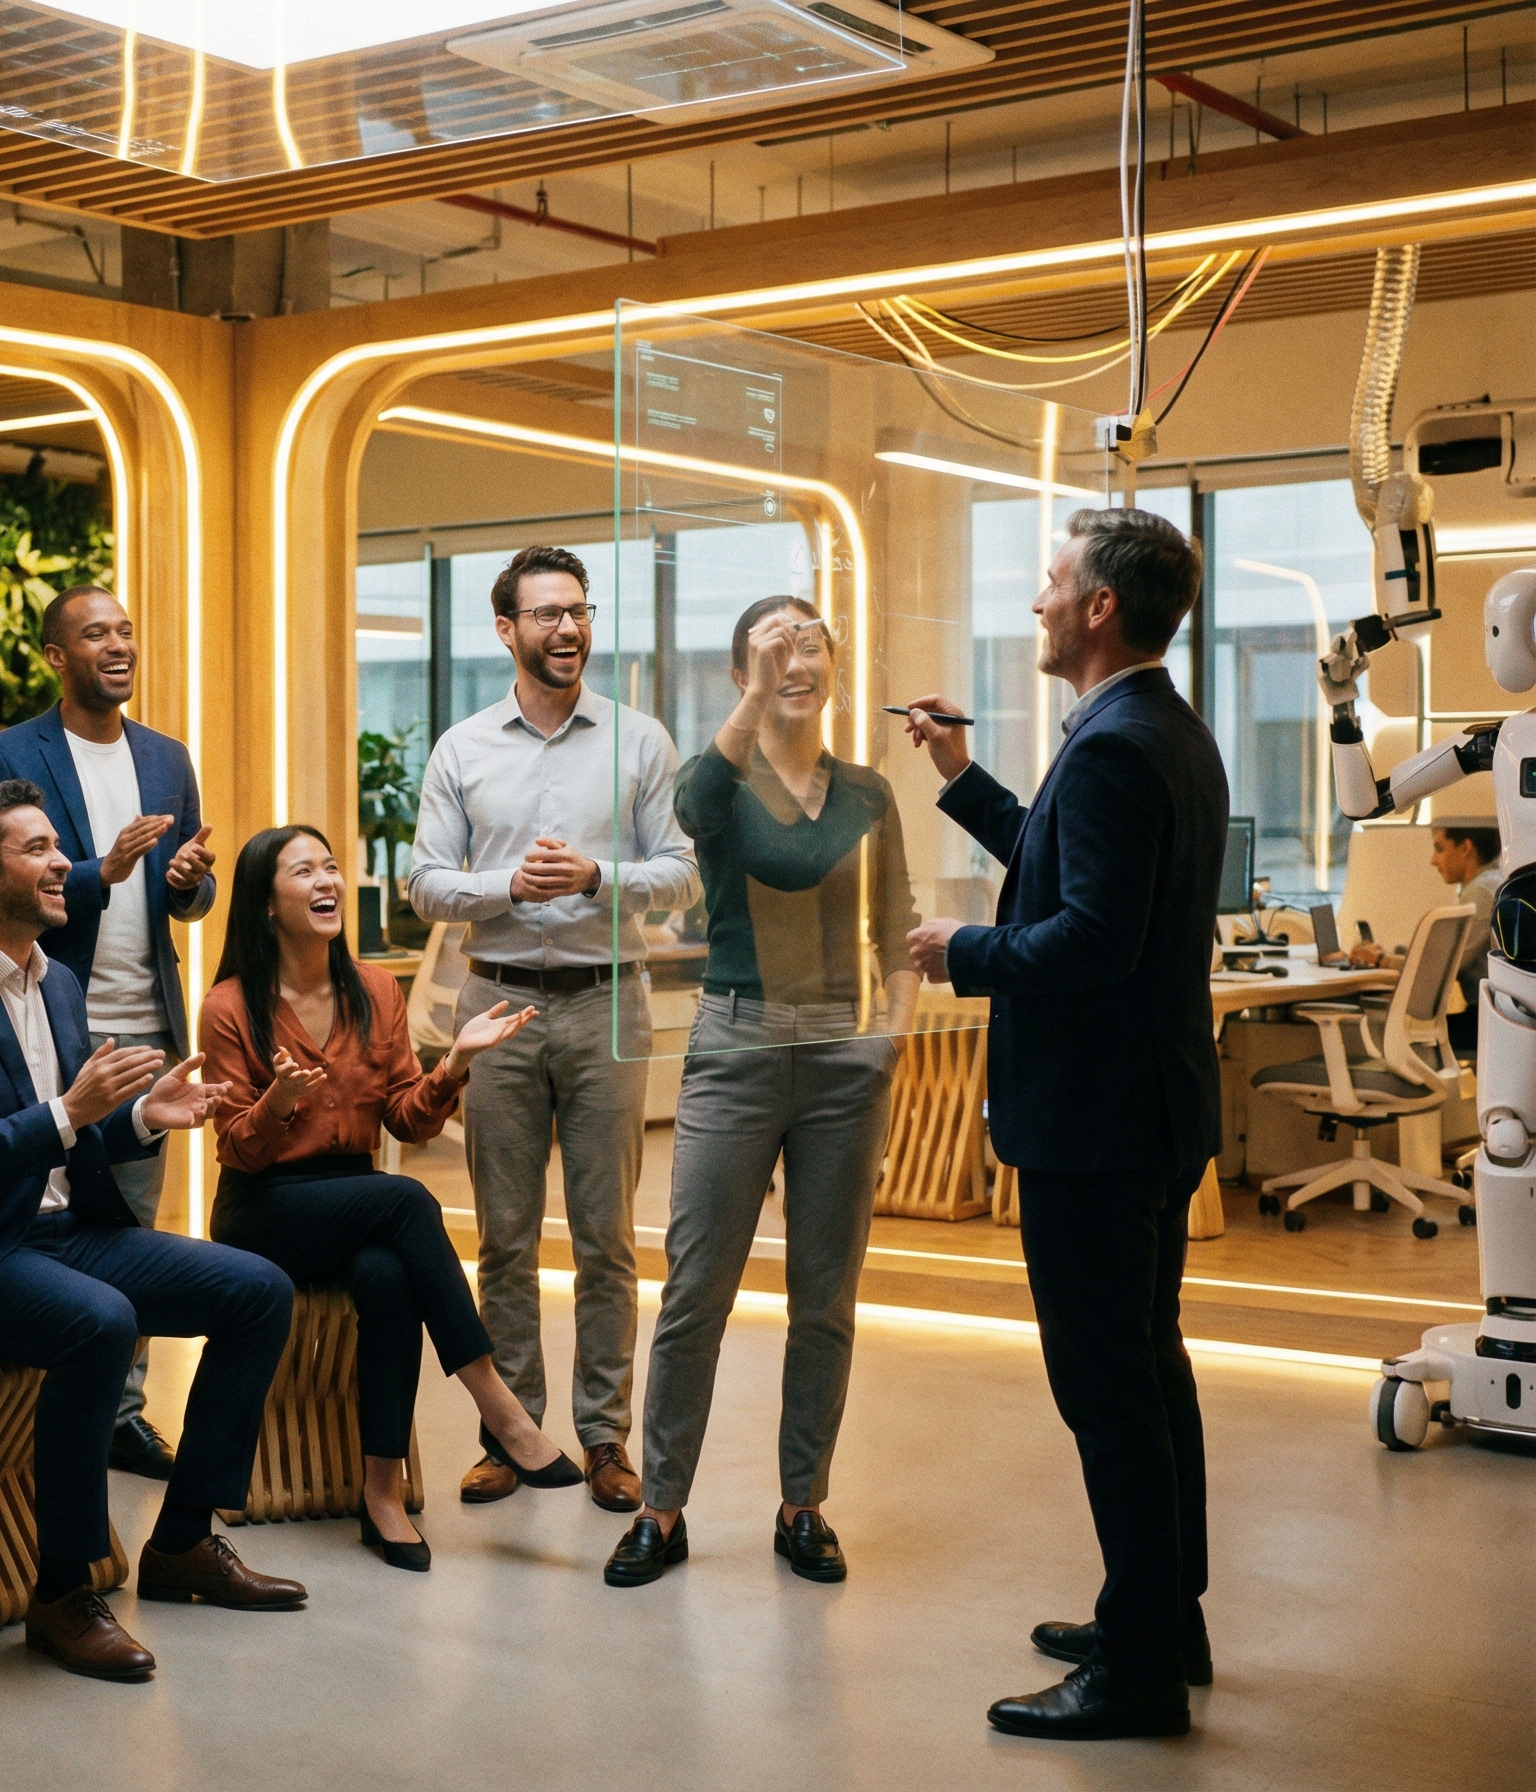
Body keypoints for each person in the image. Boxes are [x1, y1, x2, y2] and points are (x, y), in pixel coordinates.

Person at [901, 506, 1227, 1742]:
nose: (1035, 601)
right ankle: (1164, 1612)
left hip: (1094, 1124)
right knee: (1151, 1370)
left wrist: (960, 949)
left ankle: (1139, 1668)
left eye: (1050, 583)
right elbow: (1059, 858)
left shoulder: (1109, 745)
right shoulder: (1158, 726)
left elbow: (1091, 938)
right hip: (1148, 1110)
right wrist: (957, 776)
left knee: (1109, 1392)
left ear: (1100, 608)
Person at [0, 781, 299, 1682]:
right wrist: (69, 1114)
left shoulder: (56, 978)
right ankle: (60, 1595)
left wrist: (143, 1118)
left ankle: (181, 1544)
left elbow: (76, 1126)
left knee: (257, 1290)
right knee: (97, 1321)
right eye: (38, 849)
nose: (66, 862)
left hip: (57, 1237)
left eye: (59, 845)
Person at [605, 595, 918, 1593]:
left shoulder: (868, 792)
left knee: (824, 1298)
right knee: (697, 1289)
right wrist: (747, 698)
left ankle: (803, 1504)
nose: (797, 656)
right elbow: (691, 809)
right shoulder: (727, 784)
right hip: (736, 1047)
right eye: (773, 644)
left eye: (812, 639)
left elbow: (899, 925)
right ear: (746, 665)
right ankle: (661, 1506)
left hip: (842, 1057)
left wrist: (892, 1043)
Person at [408, 545, 701, 1511]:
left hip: (607, 998)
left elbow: (683, 871)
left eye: (578, 611)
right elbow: (423, 885)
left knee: (608, 1236)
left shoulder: (640, 739)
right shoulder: (463, 748)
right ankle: (513, 1433)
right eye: (547, 615)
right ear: (507, 630)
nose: (568, 629)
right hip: (494, 1006)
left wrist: (594, 879)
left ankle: (607, 1438)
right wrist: (509, 885)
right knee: (503, 1235)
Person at [200, 825, 575, 1571]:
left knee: (388, 1275)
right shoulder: (230, 1005)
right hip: (263, 1205)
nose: (326, 880)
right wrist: (276, 1104)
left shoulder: (374, 989)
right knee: (405, 1202)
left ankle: (381, 1493)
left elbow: (405, 1115)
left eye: (331, 866)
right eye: (303, 870)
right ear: (267, 904)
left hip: (351, 1200)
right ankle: (500, 1408)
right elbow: (237, 1146)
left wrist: (455, 1065)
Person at [0, 584, 216, 1481]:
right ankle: (36, 1401)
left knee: (130, 1222)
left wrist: (186, 878)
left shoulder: (166, 757)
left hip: (145, 1016)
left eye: (125, 629)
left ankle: (121, 1410)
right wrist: (99, 872)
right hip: (48, 1018)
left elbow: (189, 896)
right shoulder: (9, 753)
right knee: (36, 1206)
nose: (117, 645)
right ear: (55, 657)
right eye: (94, 634)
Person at [1345, 824, 1502, 1053]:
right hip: (1489, 1016)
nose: (1433, 860)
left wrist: (1381, 960)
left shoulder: (1483, 892)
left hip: (1484, 1022)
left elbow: (1440, 967)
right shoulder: (1490, 883)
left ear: (1465, 847)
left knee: (1367, 1030)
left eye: (1439, 849)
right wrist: (1391, 956)